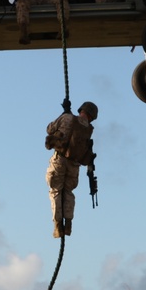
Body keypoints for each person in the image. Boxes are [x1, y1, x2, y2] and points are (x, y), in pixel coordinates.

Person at [44, 101, 97, 238]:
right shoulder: (88, 129)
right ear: (92, 116)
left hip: (60, 160)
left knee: (56, 191)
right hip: (74, 165)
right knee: (68, 193)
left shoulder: (67, 118)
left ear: (81, 110)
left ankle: (57, 226)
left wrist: (64, 113)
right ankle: (68, 224)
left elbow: (49, 129)